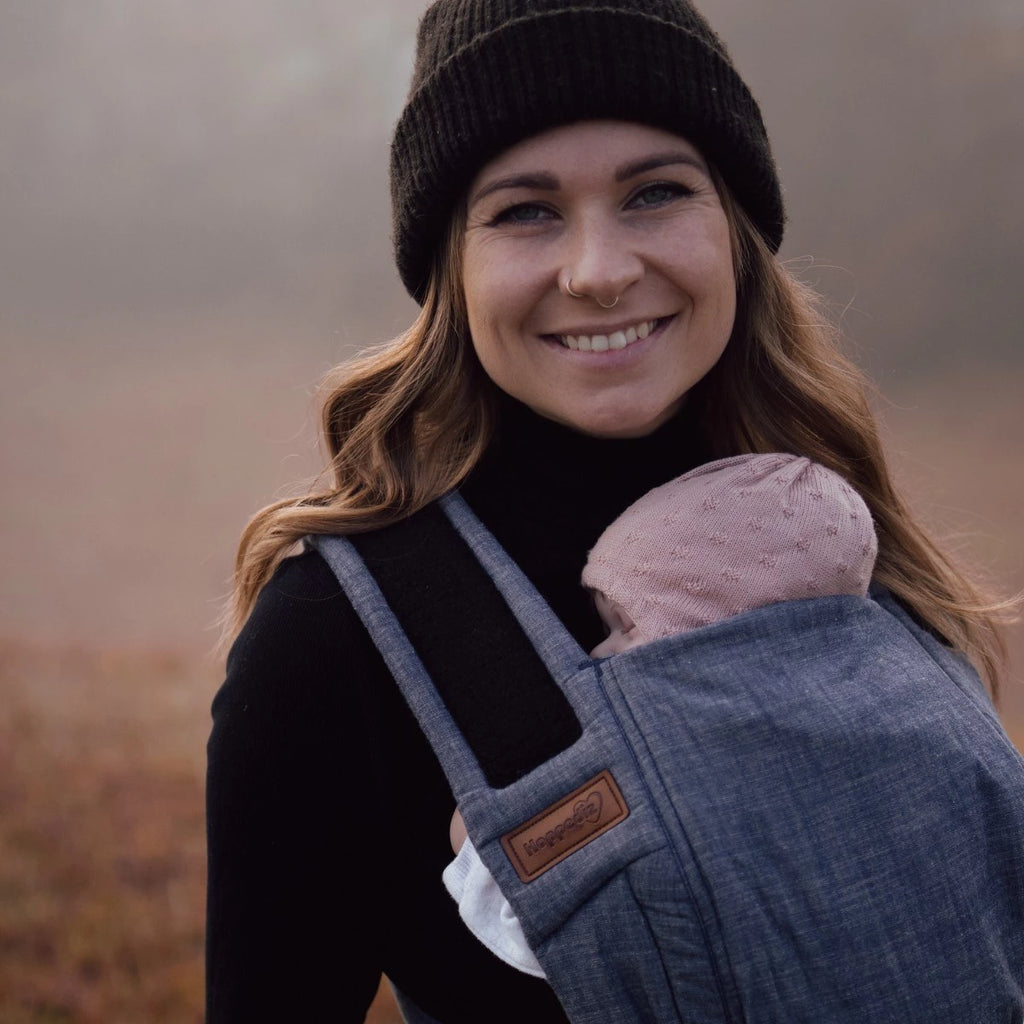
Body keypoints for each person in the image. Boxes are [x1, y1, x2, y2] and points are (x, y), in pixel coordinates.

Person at [206, 1, 1016, 1021]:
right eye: (525, 211)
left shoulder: (830, 526)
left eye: (655, 193)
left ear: (734, 229)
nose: (600, 272)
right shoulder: (336, 640)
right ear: (452, 265)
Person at [444, 452, 879, 979]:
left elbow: (577, 936)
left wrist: (477, 851)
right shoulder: (869, 718)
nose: (597, 651)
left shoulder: (678, 761)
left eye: (625, 626)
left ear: (708, 633)